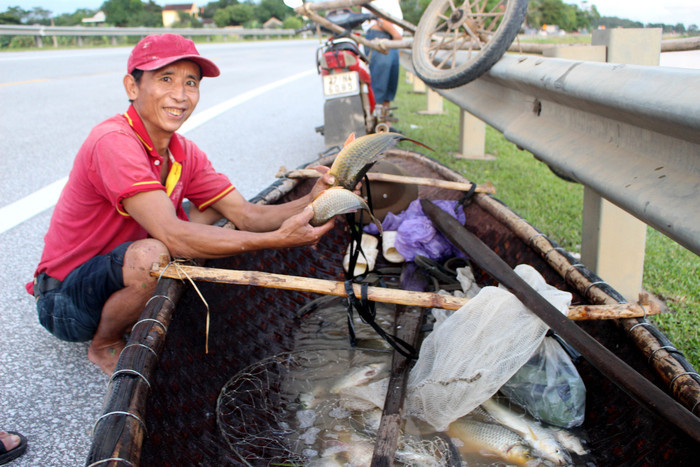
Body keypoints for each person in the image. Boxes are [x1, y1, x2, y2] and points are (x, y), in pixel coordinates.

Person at [26, 34, 336, 376]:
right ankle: (104, 342)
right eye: (165, 79)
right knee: (153, 255)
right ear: (132, 86)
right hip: (65, 301)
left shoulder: (182, 150)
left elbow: (247, 214)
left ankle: (139, 304)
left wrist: (313, 198)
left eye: (191, 82)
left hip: (114, 267)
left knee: (214, 207)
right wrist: (276, 240)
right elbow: (173, 237)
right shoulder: (114, 141)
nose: (181, 95)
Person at [362, 0, 404, 123]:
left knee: (389, 87)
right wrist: (395, 33)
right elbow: (377, 15)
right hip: (380, 34)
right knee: (379, 87)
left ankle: (385, 125)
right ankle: (375, 127)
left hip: (391, 37)